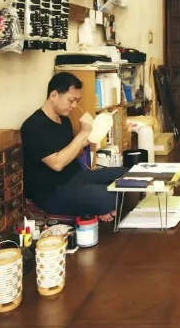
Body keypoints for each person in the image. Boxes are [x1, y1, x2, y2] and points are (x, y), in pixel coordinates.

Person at [21, 72, 127, 222]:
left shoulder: (64, 121)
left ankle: (100, 206)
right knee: (109, 197)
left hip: (75, 177)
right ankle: (102, 206)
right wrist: (83, 133)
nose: (74, 106)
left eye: (77, 101)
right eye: (71, 100)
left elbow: (72, 154)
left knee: (128, 174)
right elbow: (57, 164)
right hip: (52, 191)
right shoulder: (34, 126)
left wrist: (92, 135)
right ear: (53, 95)